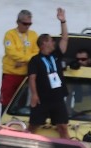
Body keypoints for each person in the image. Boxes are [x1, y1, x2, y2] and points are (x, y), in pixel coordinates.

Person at [27, 10, 69, 138]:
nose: (54, 43)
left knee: (62, 127)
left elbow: (65, 38)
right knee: (33, 126)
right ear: (44, 43)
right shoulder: (35, 60)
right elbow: (32, 78)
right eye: (51, 41)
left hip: (57, 98)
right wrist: (34, 95)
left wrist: (63, 21)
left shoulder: (55, 56)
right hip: (42, 99)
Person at [1, 9, 40, 113]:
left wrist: (23, 61)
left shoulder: (33, 35)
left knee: (21, 104)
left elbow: (37, 52)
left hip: (25, 75)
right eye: (25, 24)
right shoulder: (9, 34)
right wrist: (28, 59)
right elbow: (11, 52)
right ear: (18, 22)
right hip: (10, 73)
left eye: (29, 24)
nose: (27, 26)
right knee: (6, 102)